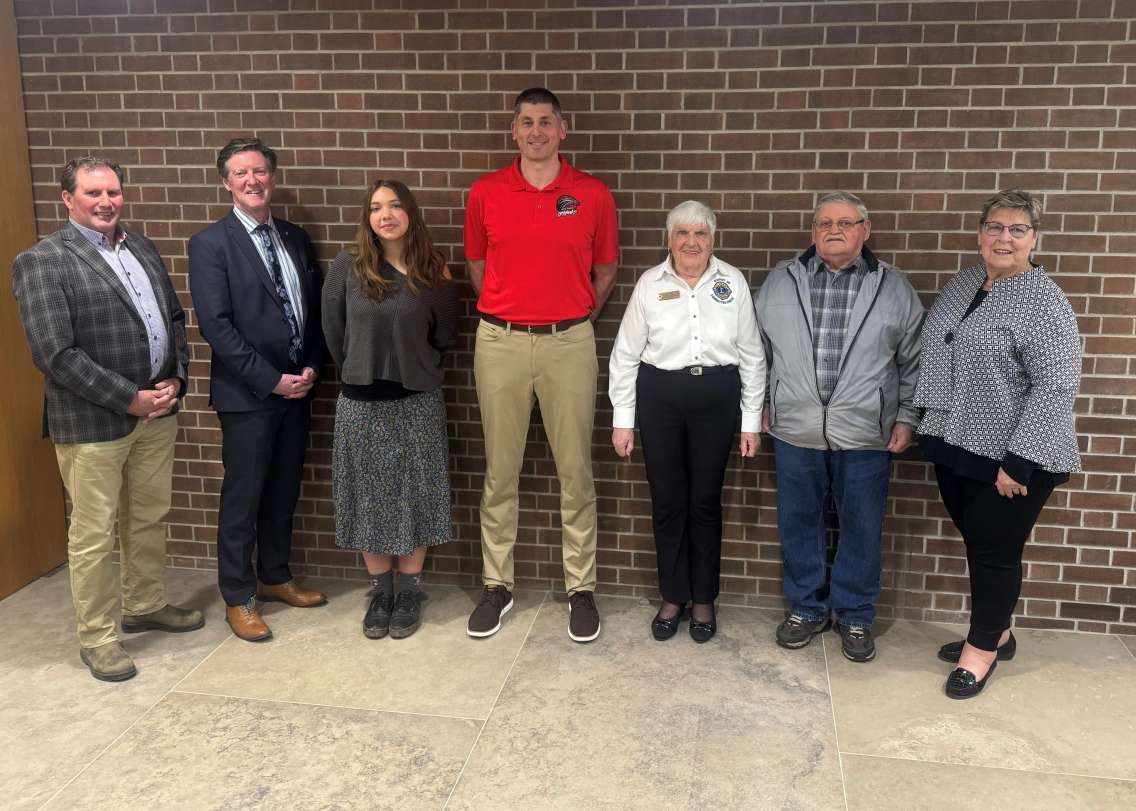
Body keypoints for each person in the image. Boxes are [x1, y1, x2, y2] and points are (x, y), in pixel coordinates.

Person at [11, 156, 203, 682]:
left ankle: (145, 604)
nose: (106, 202)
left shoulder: (140, 246)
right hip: (93, 422)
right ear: (67, 199)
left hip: (158, 413)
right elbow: (56, 354)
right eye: (93, 192)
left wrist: (177, 380)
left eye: (114, 192)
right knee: (93, 534)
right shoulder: (44, 261)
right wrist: (130, 398)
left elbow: (174, 320)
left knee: (147, 516)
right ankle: (97, 636)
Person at [463, 87, 619, 642]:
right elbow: (478, 266)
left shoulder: (592, 194)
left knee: (575, 470)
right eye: (526, 122)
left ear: (563, 129)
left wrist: (569, 317)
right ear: (514, 131)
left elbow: (604, 272)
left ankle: (581, 589)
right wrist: (513, 312)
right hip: (500, 342)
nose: (535, 131)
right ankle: (496, 585)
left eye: (545, 122)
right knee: (500, 470)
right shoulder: (485, 192)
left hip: (568, 343)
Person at [915, 190, 1081, 699]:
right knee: (979, 542)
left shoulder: (1045, 301)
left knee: (994, 551)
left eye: (1017, 229)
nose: (1003, 238)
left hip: (1015, 456)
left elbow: (1056, 384)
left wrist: (1020, 460)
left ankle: (982, 649)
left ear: (1035, 239)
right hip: (957, 441)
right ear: (980, 232)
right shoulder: (966, 281)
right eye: (995, 227)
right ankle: (999, 630)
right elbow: (937, 345)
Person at [755, 191, 924, 663]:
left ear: (864, 231)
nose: (834, 230)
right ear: (813, 232)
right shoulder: (781, 282)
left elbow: (914, 362)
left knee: (862, 526)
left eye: (846, 222)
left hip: (867, 433)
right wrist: (761, 405)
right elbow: (758, 352)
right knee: (799, 522)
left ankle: (854, 615)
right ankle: (806, 608)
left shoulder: (893, 287)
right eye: (825, 222)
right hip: (795, 429)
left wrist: (907, 418)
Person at [188, 137, 327, 643]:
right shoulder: (210, 244)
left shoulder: (294, 236)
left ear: (273, 176)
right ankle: (238, 596)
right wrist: (271, 380)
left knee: (284, 490)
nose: (253, 181)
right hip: (248, 396)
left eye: (260, 171)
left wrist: (311, 364)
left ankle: (275, 577)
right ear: (226, 182)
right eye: (241, 173)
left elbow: (311, 310)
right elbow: (217, 328)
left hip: (299, 391)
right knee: (243, 499)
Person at [608, 201, 764, 643]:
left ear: (712, 239)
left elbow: (753, 354)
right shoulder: (649, 284)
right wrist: (624, 421)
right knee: (668, 501)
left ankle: (703, 599)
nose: (691, 242)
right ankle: (673, 595)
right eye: (682, 233)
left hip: (717, 398)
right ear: (669, 239)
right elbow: (624, 356)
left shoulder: (731, 282)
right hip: (660, 398)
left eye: (700, 233)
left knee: (705, 503)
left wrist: (750, 421)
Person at [322, 180, 458, 640]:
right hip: (361, 403)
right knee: (368, 497)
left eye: (395, 205)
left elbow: (446, 334)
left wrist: (413, 365)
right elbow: (332, 330)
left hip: (416, 402)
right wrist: (359, 368)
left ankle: (410, 590)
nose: (386, 215)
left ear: (410, 213)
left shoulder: (433, 270)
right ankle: (381, 592)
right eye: (377, 207)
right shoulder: (348, 266)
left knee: (415, 494)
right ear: (368, 218)